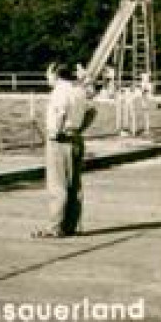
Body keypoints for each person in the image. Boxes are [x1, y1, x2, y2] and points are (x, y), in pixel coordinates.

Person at [36, 61, 96, 238]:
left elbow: (60, 112)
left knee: (57, 185)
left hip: (61, 140)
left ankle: (55, 227)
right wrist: (80, 129)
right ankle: (72, 225)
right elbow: (92, 111)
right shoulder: (78, 90)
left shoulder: (59, 91)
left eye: (48, 74)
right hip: (76, 138)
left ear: (55, 74)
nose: (47, 78)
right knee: (74, 185)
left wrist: (56, 132)